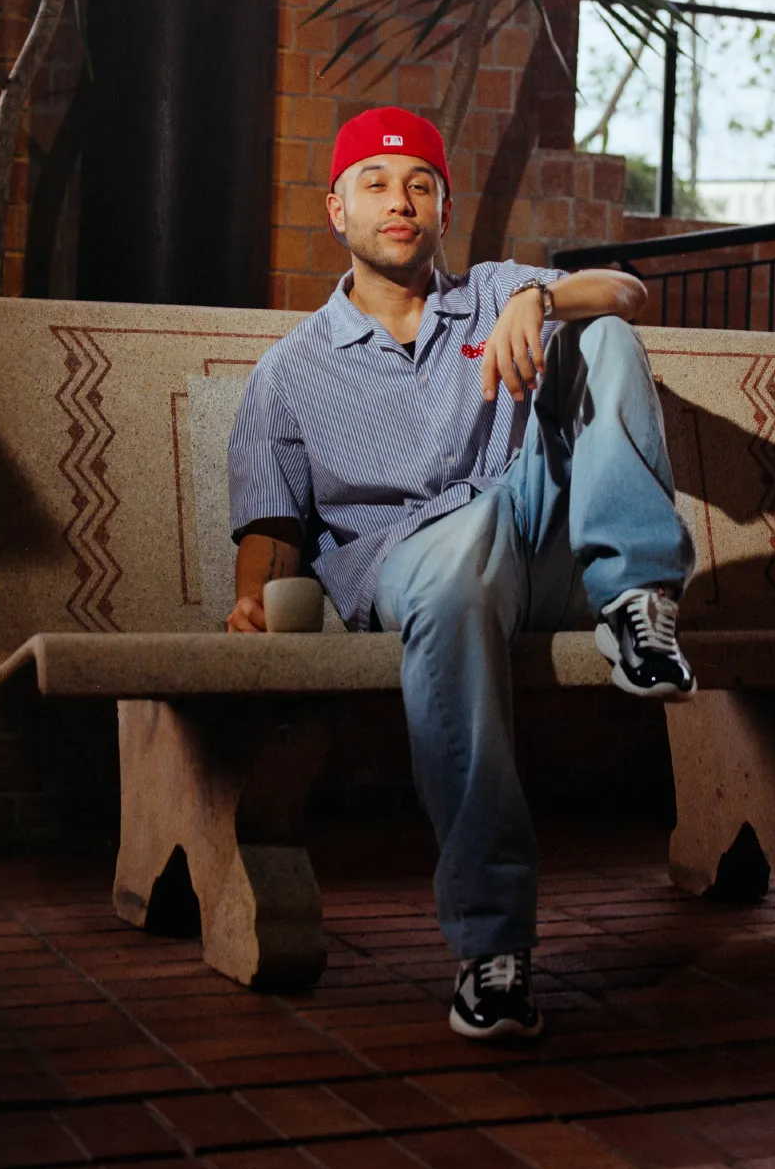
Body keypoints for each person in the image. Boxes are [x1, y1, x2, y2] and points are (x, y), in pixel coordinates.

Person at [226, 106, 697, 1041]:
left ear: (443, 209)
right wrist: (253, 601)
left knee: (601, 334)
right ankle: (493, 946)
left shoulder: (494, 293)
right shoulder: (287, 375)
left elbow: (626, 292)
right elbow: (272, 532)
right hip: (417, 569)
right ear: (338, 211)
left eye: (420, 184)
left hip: (538, 541)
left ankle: (638, 601)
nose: (399, 200)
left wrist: (544, 303)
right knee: (452, 573)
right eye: (375, 183)